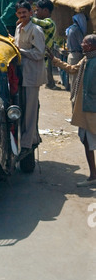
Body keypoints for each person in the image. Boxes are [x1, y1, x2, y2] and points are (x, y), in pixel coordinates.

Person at [47, 34, 96, 187]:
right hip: (84, 108)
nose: (82, 44)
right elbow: (72, 69)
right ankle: (93, 175)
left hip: (92, 109)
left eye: (85, 43)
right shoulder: (86, 59)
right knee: (86, 141)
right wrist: (55, 60)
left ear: (92, 46)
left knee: (88, 141)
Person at [14, 0, 46, 156]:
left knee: (31, 110)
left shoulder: (36, 30)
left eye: (24, 13)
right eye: (19, 13)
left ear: (31, 13)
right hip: (23, 73)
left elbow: (40, 53)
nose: (22, 15)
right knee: (25, 108)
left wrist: (21, 51)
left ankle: (28, 143)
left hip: (33, 74)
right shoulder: (18, 27)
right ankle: (29, 137)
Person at [31, 0, 57, 89]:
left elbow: (43, 23)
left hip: (43, 57)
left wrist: (29, 17)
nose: (36, 12)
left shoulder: (50, 23)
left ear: (45, 10)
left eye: (37, 10)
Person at [65, 13, 87, 101]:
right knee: (75, 81)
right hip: (77, 56)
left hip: (71, 55)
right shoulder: (77, 30)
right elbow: (82, 44)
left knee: (73, 80)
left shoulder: (70, 28)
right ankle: (74, 102)